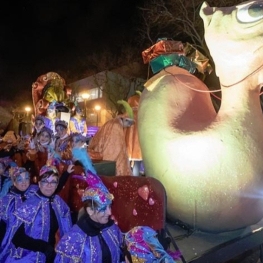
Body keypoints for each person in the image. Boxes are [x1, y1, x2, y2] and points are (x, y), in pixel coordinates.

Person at [55, 148, 126, 262]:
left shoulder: (112, 228)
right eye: (103, 208)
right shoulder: (74, 239)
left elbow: (120, 255)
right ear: (90, 210)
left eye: (109, 206)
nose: (109, 212)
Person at [4, 165, 72, 263]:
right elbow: (16, 237)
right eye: (45, 181)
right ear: (39, 184)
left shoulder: (58, 202)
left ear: (57, 184)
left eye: (53, 182)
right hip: (28, 257)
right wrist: (43, 247)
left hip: (49, 256)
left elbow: (67, 228)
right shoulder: (29, 204)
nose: (49, 185)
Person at [0, 167, 38, 262]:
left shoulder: (33, 193)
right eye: (20, 179)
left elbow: (50, 189)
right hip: (14, 247)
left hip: (35, 242)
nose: (24, 182)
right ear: (14, 182)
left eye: (26, 178)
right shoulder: (7, 201)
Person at [88, 103, 134, 176]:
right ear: (125, 120)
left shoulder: (112, 122)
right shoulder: (116, 126)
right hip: (109, 166)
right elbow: (113, 151)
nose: (128, 127)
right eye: (129, 124)